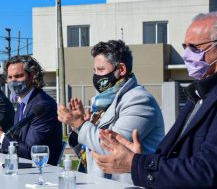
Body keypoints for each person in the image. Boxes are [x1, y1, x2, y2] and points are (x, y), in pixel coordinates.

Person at [91, 11, 217, 188]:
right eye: (185, 47)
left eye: (194, 47)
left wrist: (136, 164)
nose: (187, 54)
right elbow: (177, 158)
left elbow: (208, 172)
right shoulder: (200, 95)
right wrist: (140, 158)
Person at [57, 40, 164, 182]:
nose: (96, 76)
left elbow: (112, 150)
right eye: (94, 71)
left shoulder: (139, 101)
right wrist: (79, 128)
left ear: (122, 69)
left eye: (101, 70)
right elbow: (90, 153)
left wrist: (81, 125)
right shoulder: (103, 103)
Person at [0, 55, 63, 166]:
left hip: (41, 171)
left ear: (32, 75)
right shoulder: (22, 103)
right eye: (10, 77)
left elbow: (31, 152)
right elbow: (17, 140)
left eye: (18, 76)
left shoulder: (43, 105)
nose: (13, 81)